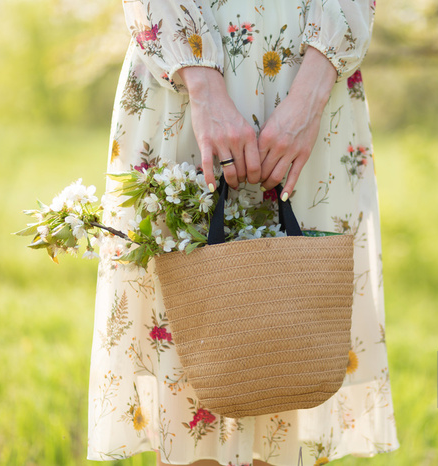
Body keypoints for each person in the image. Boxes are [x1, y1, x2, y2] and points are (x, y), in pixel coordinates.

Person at [86, 1, 399, 465]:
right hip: (183, 75)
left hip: (312, 77)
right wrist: (204, 88)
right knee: (194, 374)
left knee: (291, 355)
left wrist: (311, 92)